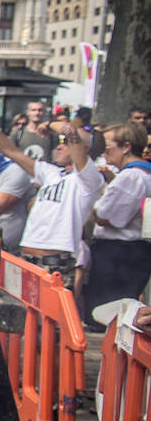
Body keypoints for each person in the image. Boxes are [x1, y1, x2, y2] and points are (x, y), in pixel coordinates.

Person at [0, 111, 101, 294]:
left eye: (65, 144)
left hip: (56, 260)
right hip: (27, 257)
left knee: (53, 312)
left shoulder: (89, 179)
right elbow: (11, 151)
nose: (60, 147)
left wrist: (48, 124)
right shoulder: (52, 172)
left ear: (85, 150)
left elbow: (71, 133)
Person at [84, 121, 151, 318]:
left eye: (108, 146)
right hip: (130, 252)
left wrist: (91, 200)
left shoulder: (131, 176)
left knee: (105, 314)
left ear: (126, 146)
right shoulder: (141, 174)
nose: (104, 152)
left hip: (119, 253)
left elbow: (105, 217)